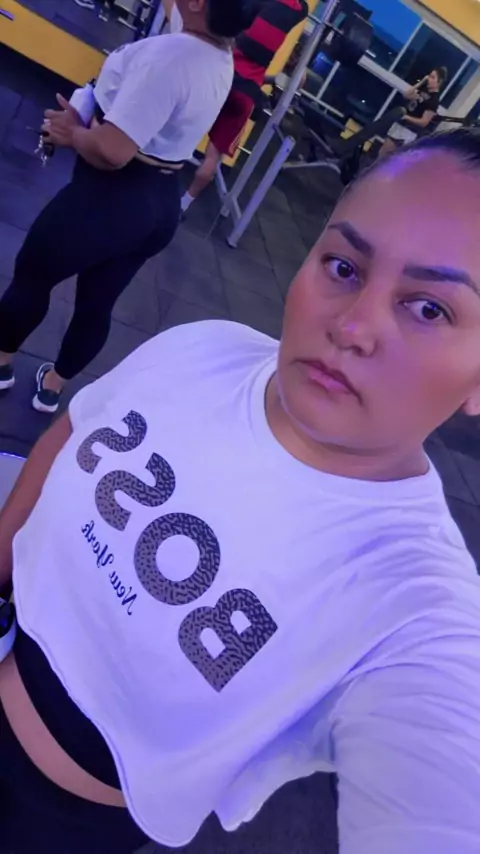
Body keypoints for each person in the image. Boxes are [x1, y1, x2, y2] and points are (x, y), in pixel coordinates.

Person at [2, 128, 480, 854]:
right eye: (344, 266)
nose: (352, 326)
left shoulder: (416, 604)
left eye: (430, 309)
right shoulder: (207, 348)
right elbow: (72, 431)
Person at [0, 0, 254, 415]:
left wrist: (72, 134)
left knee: (32, 275)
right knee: (97, 304)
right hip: (158, 205)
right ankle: (52, 388)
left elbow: (112, 152)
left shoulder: (169, 59)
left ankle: (1, 365)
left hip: (108, 201)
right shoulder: (220, 52)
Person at [181, 0, 309, 215]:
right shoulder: (298, 10)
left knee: (179, 120)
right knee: (212, 158)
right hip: (244, 94)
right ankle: (184, 204)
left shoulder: (255, 9)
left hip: (223, 77)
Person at [379, 66, 448, 157]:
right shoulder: (423, 88)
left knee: (392, 157)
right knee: (383, 152)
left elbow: (424, 122)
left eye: (432, 77)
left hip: (409, 131)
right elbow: (406, 95)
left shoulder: (434, 101)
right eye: (429, 76)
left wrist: (407, 117)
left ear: (439, 81)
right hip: (400, 124)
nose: (429, 79)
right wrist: (421, 82)